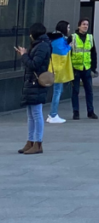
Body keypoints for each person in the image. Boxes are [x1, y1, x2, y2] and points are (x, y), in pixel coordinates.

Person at [16, 23, 51, 155]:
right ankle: (30, 141)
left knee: (36, 114)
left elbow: (34, 64)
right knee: (31, 115)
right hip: (32, 83)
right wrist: (25, 54)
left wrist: (24, 55)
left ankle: (38, 143)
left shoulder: (42, 46)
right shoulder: (39, 44)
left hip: (36, 83)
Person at [45, 21, 74, 124]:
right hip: (58, 70)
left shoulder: (52, 38)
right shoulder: (60, 39)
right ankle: (53, 114)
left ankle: (52, 114)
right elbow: (62, 52)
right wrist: (69, 46)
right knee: (57, 92)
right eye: (68, 27)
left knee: (55, 91)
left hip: (50, 68)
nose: (69, 29)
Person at [70, 18, 98, 120]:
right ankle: (76, 112)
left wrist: (93, 68)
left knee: (89, 91)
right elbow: (68, 53)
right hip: (76, 68)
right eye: (83, 24)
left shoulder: (90, 37)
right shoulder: (72, 37)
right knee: (75, 91)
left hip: (87, 67)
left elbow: (93, 53)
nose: (86, 26)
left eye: (87, 24)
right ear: (79, 26)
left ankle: (90, 112)